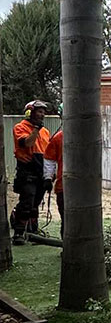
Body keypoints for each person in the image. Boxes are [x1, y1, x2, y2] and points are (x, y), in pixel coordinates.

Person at [10, 100, 51, 245]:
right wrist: (35, 130)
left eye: (43, 112)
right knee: (27, 200)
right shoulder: (20, 127)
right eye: (39, 111)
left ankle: (32, 229)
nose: (42, 114)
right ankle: (18, 232)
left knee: (36, 202)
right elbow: (27, 143)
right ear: (30, 112)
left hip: (41, 170)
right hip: (27, 171)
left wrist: (49, 175)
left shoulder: (45, 132)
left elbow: (48, 154)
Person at [44, 104, 63, 237]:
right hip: (63, 186)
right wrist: (47, 178)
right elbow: (49, 160)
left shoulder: (89, 137)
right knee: (66, 219)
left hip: (85, 188)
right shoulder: (57, 139)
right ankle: (68, 248)